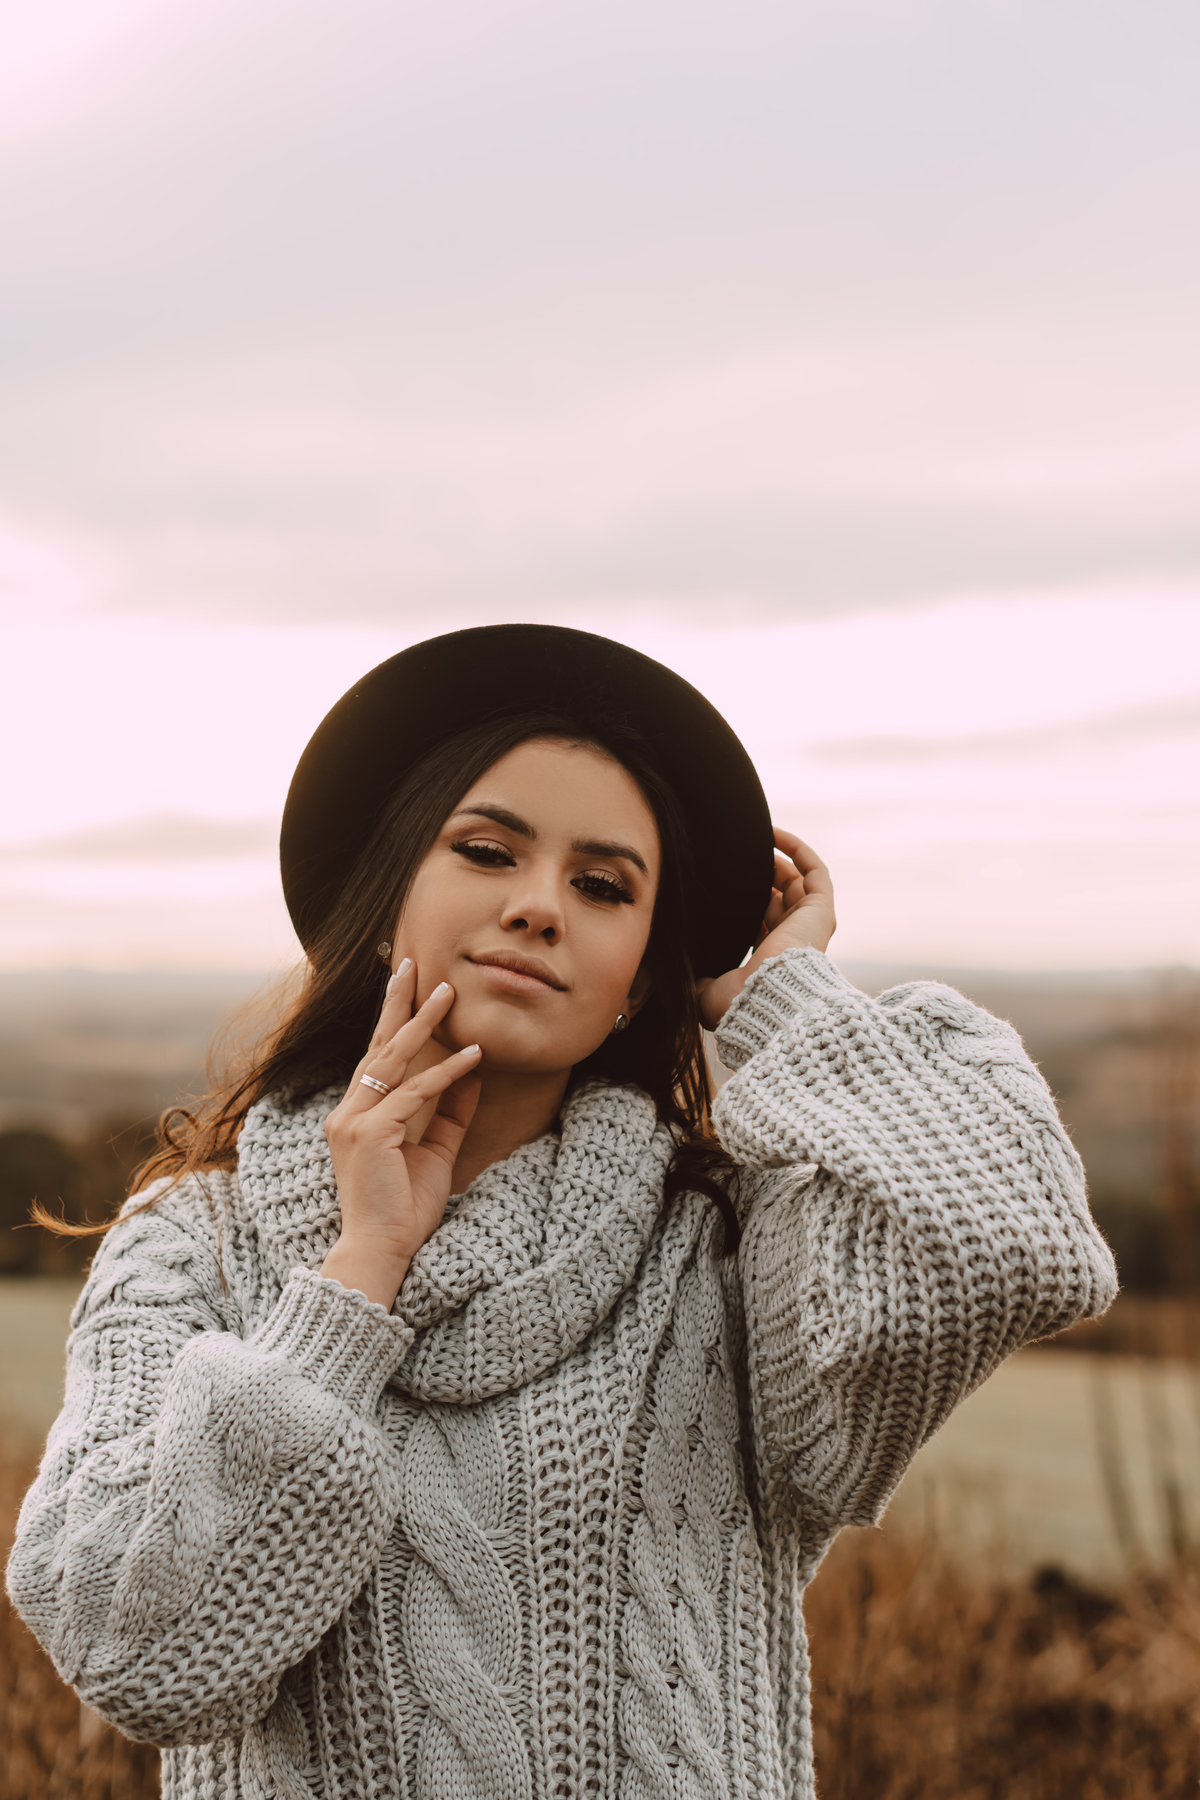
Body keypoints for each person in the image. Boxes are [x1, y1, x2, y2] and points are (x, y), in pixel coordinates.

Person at [7, 624, 1116, 1800]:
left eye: (603, 886)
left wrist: (784, 1001)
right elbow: (137, 1658)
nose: (542, 907)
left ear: (645, 971)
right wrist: (358, 1275)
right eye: (488, 852)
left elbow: (1019, 1245)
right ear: (387, 900)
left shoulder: (729, 1245)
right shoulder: (190, 1248)